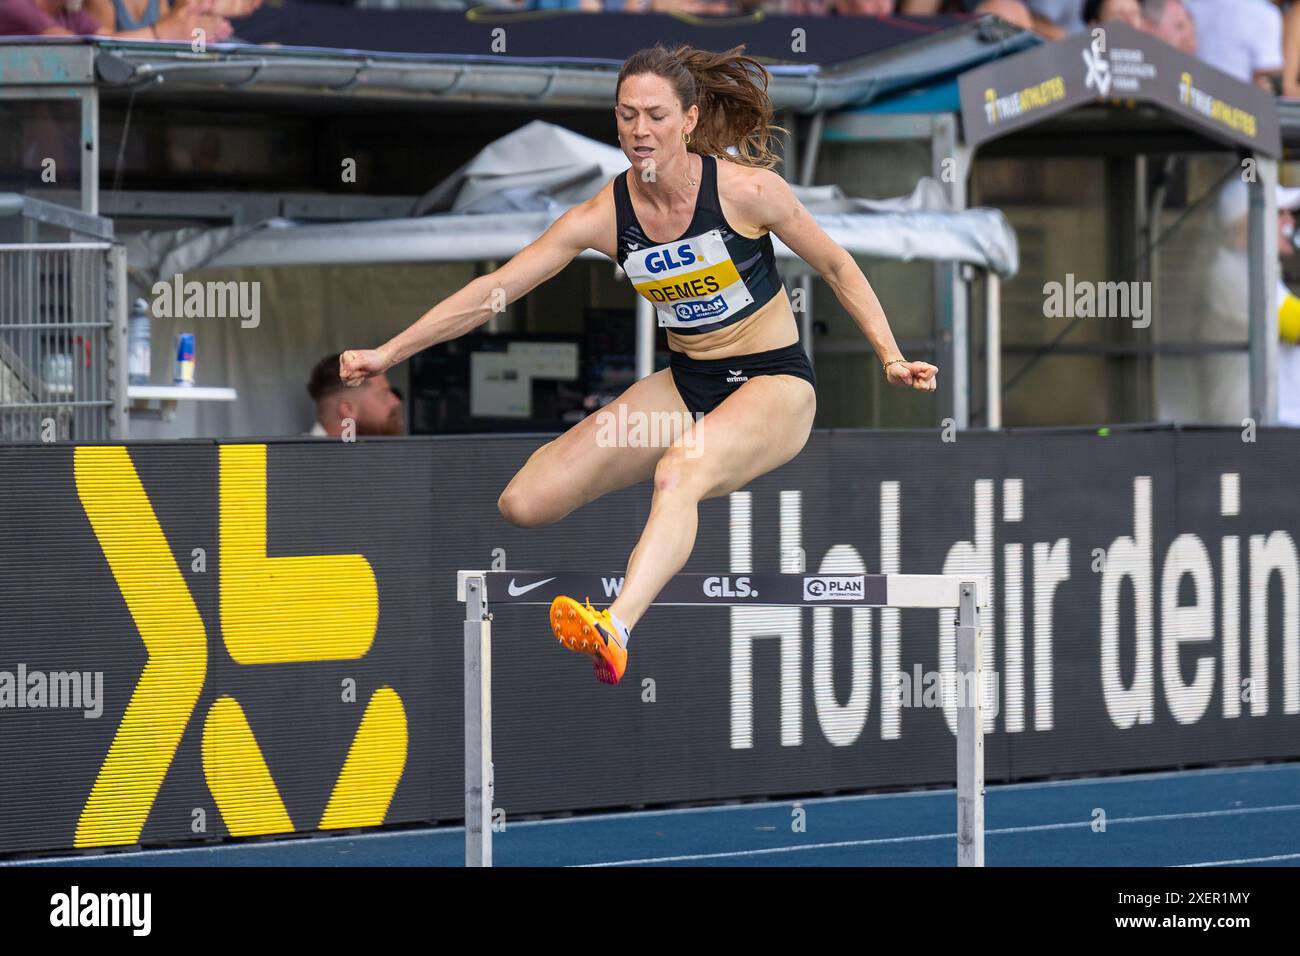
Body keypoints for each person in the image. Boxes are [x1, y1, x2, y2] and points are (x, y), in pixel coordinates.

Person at [339, 44, 937, 685]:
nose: (639, 131)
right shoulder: (602, 217)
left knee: (679, 471)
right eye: (627, 116)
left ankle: (617, 625)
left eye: (655, 115)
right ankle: (672, 505)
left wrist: (889, 354)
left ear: (689, 119)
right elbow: (494, 294)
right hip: (686, 386)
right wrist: (387, 352)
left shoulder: (748, 192)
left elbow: (838, 266)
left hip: (775, 383)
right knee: (524, 501)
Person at [1181, 0, 1282, 90]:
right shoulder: (1265, 14)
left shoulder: (1190, 5)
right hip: (1234, 103)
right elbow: (1268, 73)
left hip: (1190, 92)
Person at [306, 352, 404, 437]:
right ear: (348, 409)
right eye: (383, 395)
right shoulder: (303, 457)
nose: (396, 402)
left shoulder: (368, 455)